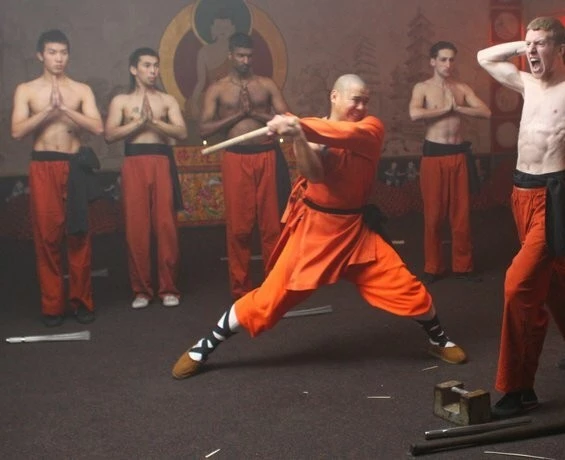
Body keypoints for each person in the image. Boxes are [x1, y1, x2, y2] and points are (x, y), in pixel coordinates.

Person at [172, 74, 467, 380]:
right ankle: (204, 346)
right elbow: (313, 174)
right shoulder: (309, 132)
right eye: (355, 100)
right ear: (334, 97)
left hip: (356, 232)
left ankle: (439, 340)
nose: (361, 107)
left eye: (365, 100)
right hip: (316, 231)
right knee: (268, 299)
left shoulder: (370, 128)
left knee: (407, 287)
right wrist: (301, 138)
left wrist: (296, 125)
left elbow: (345, 134)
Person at [477, 16, 565, 417]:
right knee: (554, 280)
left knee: (518, 285)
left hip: (553, 196)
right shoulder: (527, 83)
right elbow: (484, 57)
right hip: (521, 193)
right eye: (529, 44)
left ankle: (517, 388)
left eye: (541, 44)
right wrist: (524, 45)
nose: (532, 51)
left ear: (560, 49)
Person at [10, 29, 103, 327]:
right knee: (47, 237)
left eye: (63, 53)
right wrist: (48, 110)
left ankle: (82, 302)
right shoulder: (26, 90)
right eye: (52, 52)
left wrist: (64, 108)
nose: (58, 58)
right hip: (43, 166)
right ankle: (52, 306)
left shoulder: (81, 90)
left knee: (78, 235)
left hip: (73, 166)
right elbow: (17, 131)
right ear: (40, 55)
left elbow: (97, 127)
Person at [199, 32, 291, 300]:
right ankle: (241, 289)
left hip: (266, 155)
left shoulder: (266, 84)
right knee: (239, 228)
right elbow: (204, 128)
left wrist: (256, 113)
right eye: (240, 55)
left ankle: (275, 287)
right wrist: (238, 114)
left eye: (249, 56)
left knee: (272, 226)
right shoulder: (217, 89)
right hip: (236, 158)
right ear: (230, 55)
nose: (245, 60)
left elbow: (287, 118)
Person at [105, 47, 188, 309]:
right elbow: (110, 135)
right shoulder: (121, 101)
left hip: (161, 161)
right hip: (134, 163)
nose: (153, 71)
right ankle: (141, 290)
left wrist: (154, 122)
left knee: (166, 226)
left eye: (155, 66)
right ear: (134, 69)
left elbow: (182, 132)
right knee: (136, 227)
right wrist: (138, 123)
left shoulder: (167, 100)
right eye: (147, 66)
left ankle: (168, 289)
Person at [409, 41, 491, 285]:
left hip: (458, 156)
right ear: (433, 61)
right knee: (433, 216)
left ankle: (463, 266)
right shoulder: (423, 88)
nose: (448, 64)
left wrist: (459, 108)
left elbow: (486, 112)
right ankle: (433, 267)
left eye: (451, 59)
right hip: (433, 156)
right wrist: (445, 109)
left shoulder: (461, 88)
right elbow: (414, 113)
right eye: (443, 59)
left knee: (461, 215)